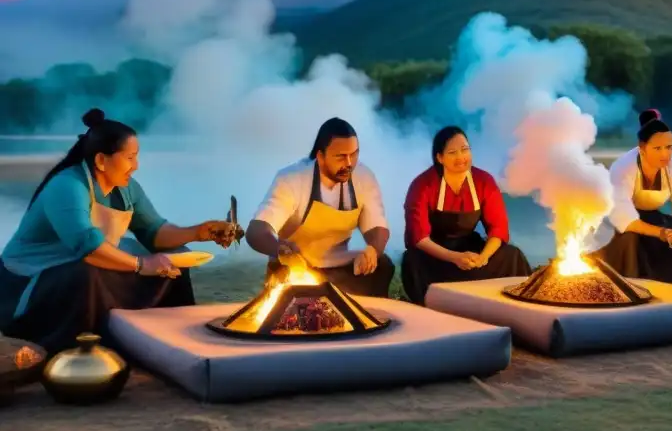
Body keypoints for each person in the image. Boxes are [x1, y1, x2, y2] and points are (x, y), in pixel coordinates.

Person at [0, 109, 237, 353]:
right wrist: (142, 265)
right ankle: (82, 345)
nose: (136, 166)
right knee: (89, 272)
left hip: (83, 261)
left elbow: (154, 231)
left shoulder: (126, 187)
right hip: (31, 279)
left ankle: (164, 333)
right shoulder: (67, 186)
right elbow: (88, 247)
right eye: (130, 157)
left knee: (175, 256)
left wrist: (199, 232)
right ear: (101, 160)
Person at [246, 118, 395, 298]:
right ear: (320, 156)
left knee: (383, 264)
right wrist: (282, 251)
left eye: (354, 154)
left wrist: (373, 249)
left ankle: (370, 319)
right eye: (341, 156)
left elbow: (376, 225)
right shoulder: (292, 179)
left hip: (339, 265)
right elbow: (257, 231)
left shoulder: (364, 177)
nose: (349, 163)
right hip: (297, 267)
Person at [401, 126, 532, 305]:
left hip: (470, 249)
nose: (461, 157)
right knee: (412, 260)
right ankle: (432, 305)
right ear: (439, 158)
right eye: (453, 152)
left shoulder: (484, 181)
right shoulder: (422, 185)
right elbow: (419, 237)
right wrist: (454, 257)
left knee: (512, 255)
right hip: (436, 254)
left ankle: (514, 304)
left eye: (465, 150)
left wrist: (483, 257)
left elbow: (498, 228)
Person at [595, 109, 672, 285]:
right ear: (642, 147)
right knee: (631, 240)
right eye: (657, 148)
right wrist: (663, 234)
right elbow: (624, 217)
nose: (665, 154)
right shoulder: (623, 167)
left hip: (655, 217)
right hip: (621, 226)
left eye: (669, 147)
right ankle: (634, 286)